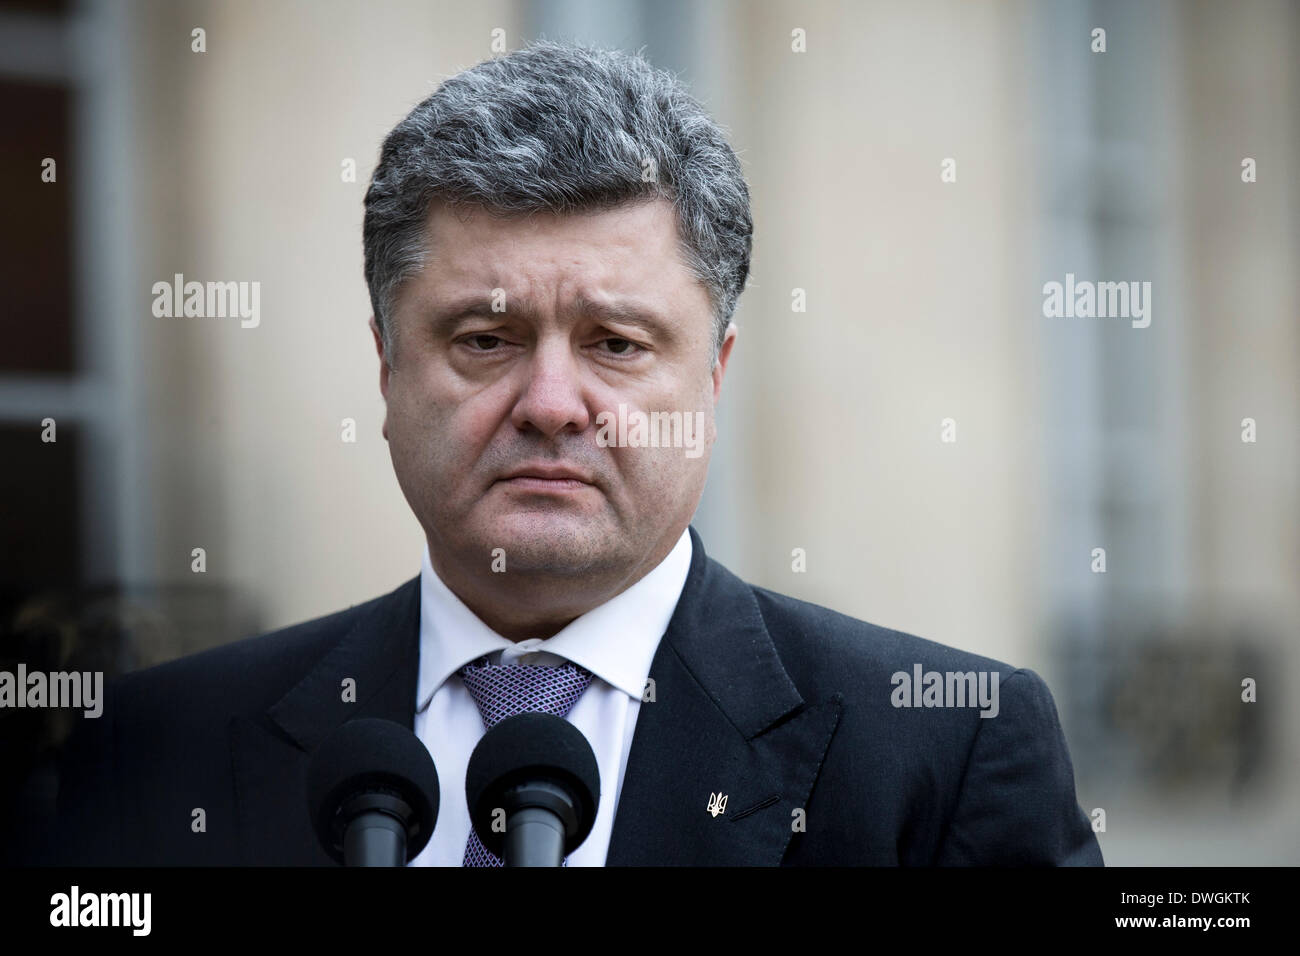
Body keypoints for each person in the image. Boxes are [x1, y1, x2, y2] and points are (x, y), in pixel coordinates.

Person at [53, 40, 1102, 866]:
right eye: (483, 340)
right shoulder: (155, 746)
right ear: (385, 370)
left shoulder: (946, 753)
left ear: (713, 376)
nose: (552, 404)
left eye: (616, 343)